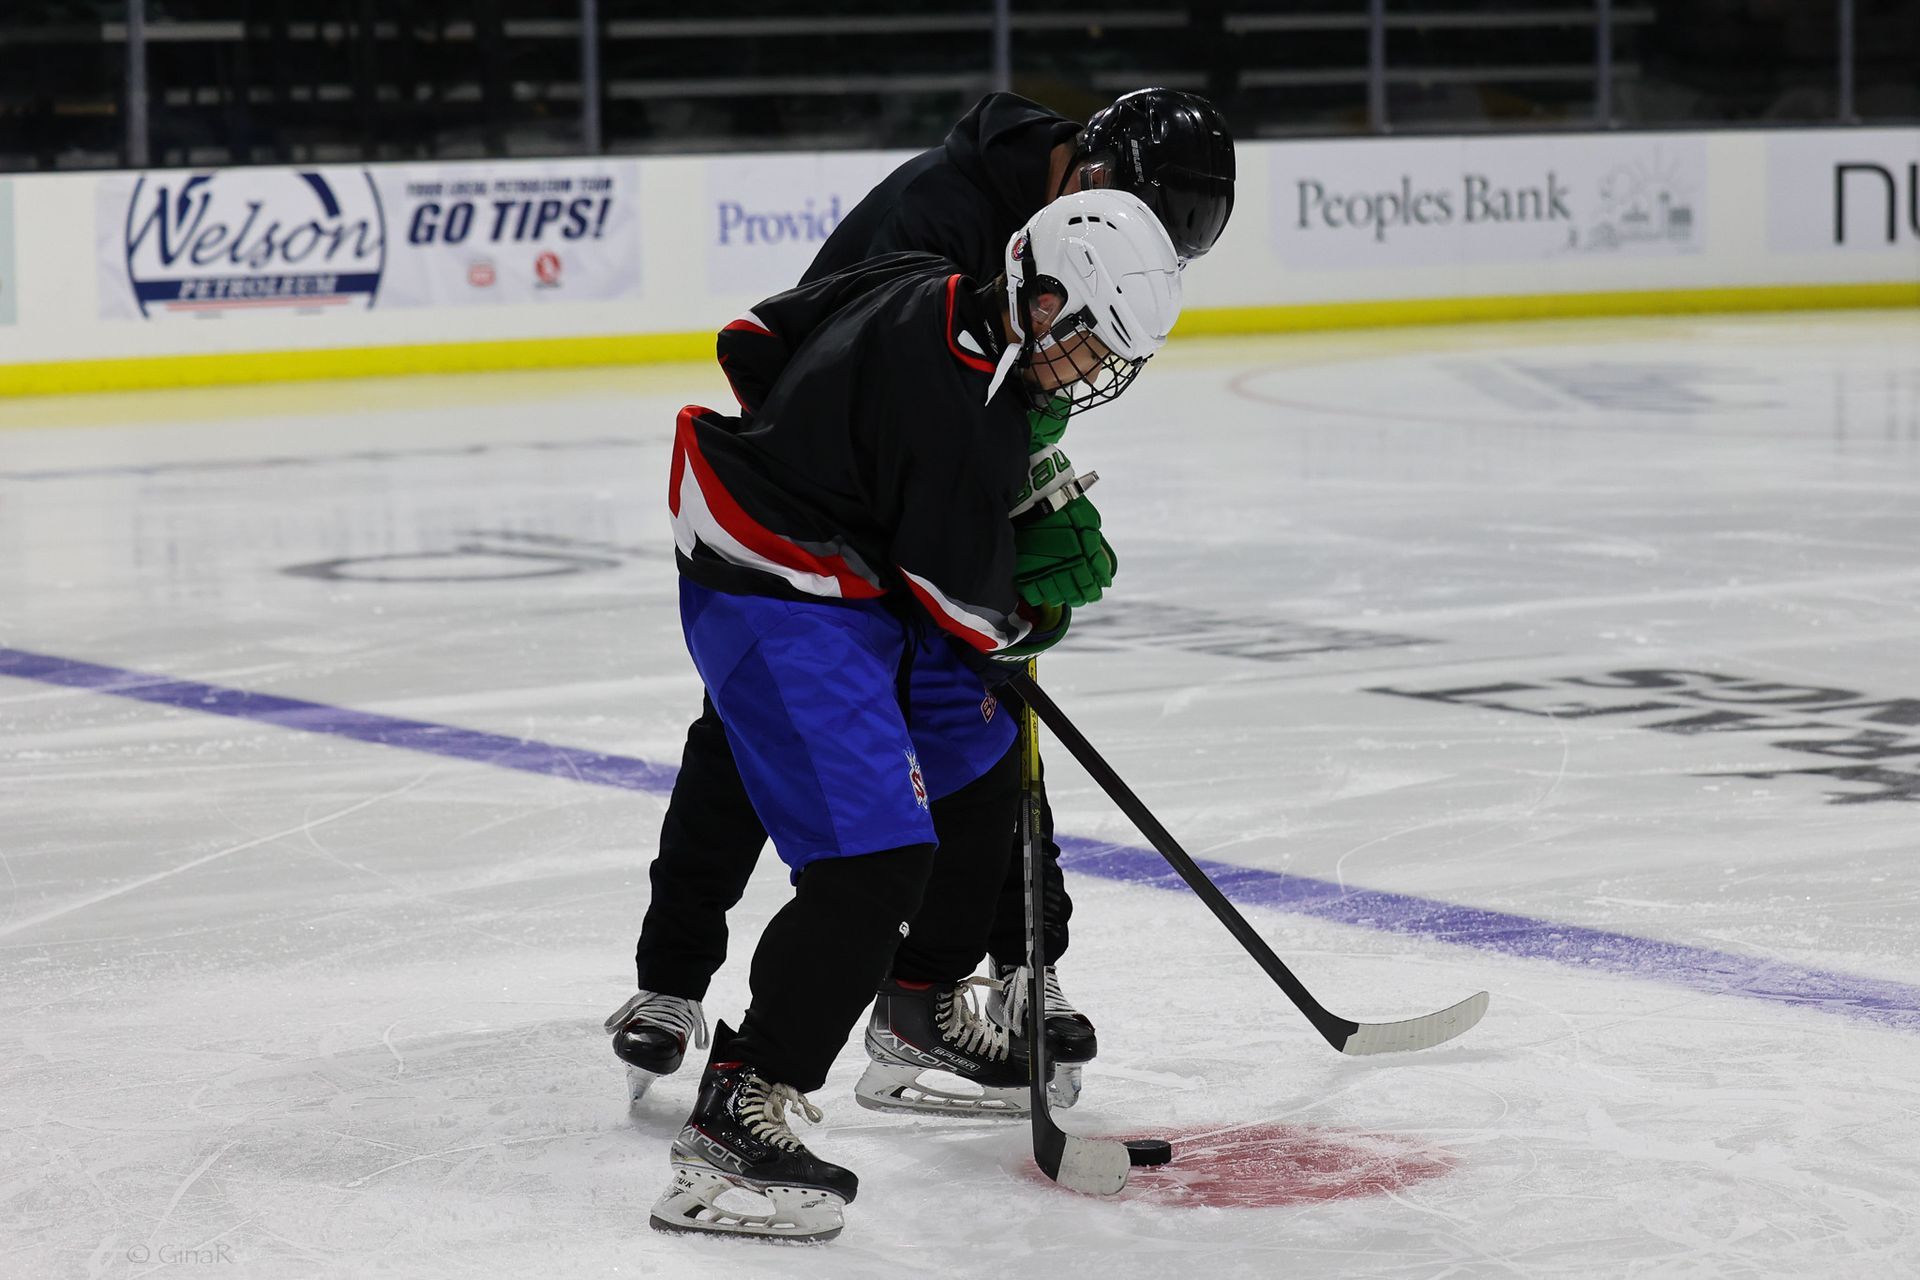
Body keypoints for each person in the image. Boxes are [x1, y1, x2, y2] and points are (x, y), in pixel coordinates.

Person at [610, 89, 1235, 1112]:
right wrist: (993, 557)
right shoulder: (939, 225)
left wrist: (1009, 501)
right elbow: (839, 381)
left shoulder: (1060, 259)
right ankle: (675, 979)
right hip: (816, 514)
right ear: (1087, 181)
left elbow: (999, 416)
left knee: (985, 732)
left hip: (915, 484)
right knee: (750, 735)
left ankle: (980, 974)